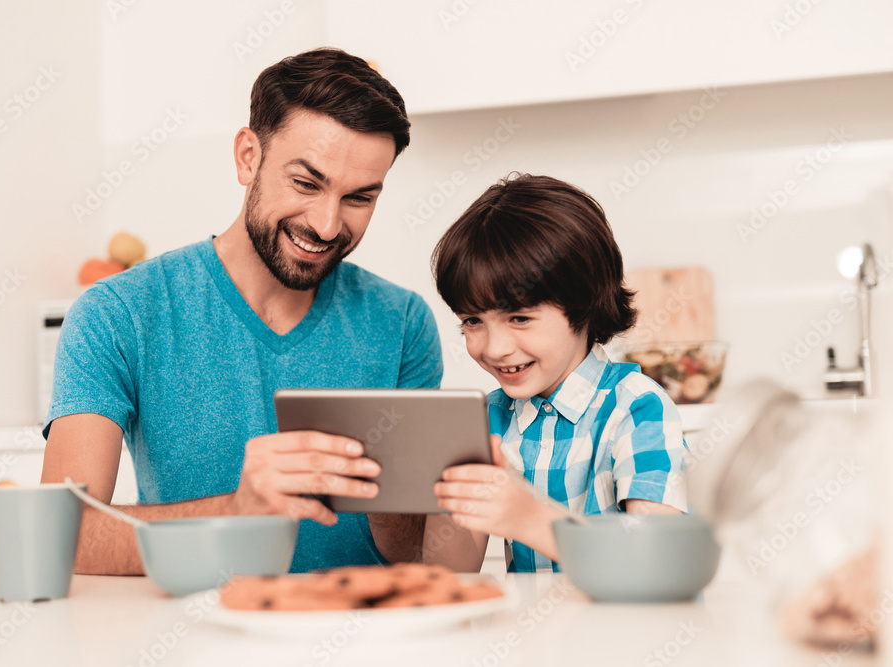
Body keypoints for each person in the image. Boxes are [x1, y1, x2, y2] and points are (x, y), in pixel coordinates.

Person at [40, 48, 443, 575]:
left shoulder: (403, 323)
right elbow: (61, 537)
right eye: (306, 183)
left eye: (359, 198)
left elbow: (417, 555)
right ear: (248, 157)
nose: (326, 225)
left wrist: (394, 493)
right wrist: (237, 511)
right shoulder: (118, 314)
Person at [428, 173, 687, 573]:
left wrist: (525, 515)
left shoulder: (636, 408)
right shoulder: (486, 421)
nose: (494, 348)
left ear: (584, 303)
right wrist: (446, 486)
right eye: (472, 321)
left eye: (519, 317)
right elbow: (446, 576)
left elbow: (659, 564)